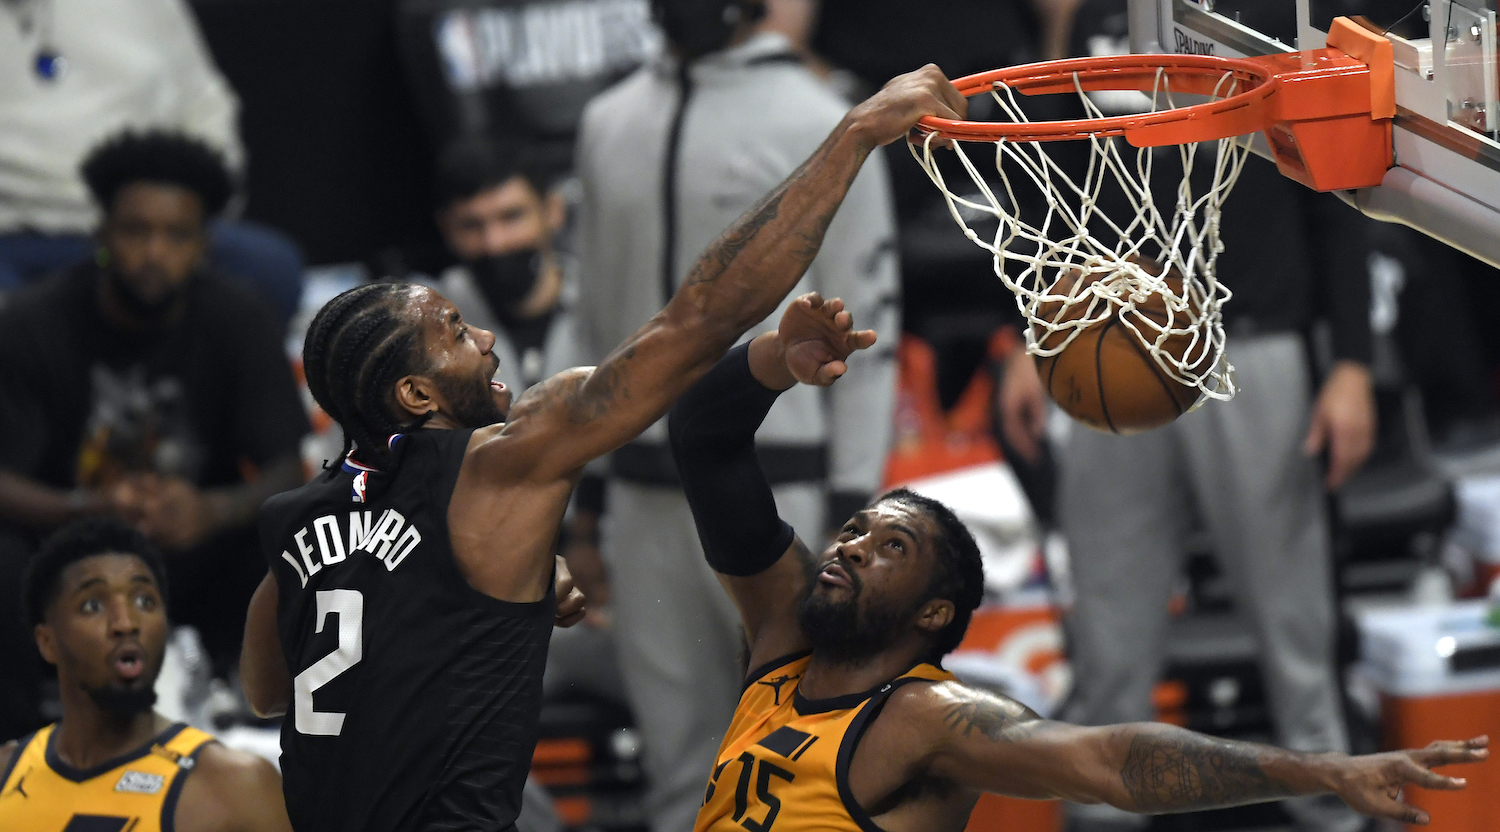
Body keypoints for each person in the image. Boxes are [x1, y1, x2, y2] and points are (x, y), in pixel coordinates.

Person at [236, 65, 964, 832]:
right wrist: (853, 136)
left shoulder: (296, 521)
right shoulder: (501, 465)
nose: (482, 339)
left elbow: (267, 688)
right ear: (416, 397)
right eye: (454, 333)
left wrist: (469, 595)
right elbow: (697, 321)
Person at [666, 292, 1489, 832]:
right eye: (855, 530)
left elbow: (1109, 761)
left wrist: (1322, 770)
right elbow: (704, 442)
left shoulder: (922, 719)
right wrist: (774, 361)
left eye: (893, 548)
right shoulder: (783, 640)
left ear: (932, 617)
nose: (849, 546)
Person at [996, 5, 1381, 830]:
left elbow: (1339, 192)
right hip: (1107, 340)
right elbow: (1049, 187)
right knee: (1109, 617)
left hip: (1253, 341)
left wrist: (1352, 362)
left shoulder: (1269, 15)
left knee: (1295, 626)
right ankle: (1102, 814)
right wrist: (1028, 339)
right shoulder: (1092, 16)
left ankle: (1332, 811)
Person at [573, 2, 901, 826]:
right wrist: (587, 493)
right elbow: (587, 315)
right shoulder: (606, 121)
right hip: (643, 495)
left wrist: (852, 496)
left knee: (804, 753)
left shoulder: (818, 117)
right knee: (678, 765)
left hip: (782, 487)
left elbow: (869, 316)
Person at [0, 130, 309, 740]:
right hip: (60, 553)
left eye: (175, 235)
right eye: (135, 231)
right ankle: (15, 751)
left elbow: (285, 466)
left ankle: (265, 732)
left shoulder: (237, 317)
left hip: (193, 549)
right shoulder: (33, 323)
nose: (152, 252)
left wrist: (214, 509)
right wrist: (85, 510)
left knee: (293, 538)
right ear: (103, 237)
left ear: (204, 247)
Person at [0, 0, 304, 326]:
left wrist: (201, 202)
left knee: (270, 269)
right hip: (17, 233)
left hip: (148, 215)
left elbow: (205, 102)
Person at [0, 517, 292, 832]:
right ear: (47, 642)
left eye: (144, 600)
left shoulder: (238, 789)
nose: (126, 623)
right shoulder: (6, 773)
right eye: (93, 605)